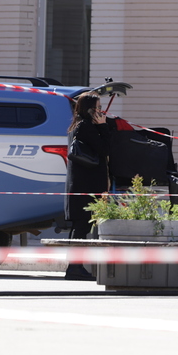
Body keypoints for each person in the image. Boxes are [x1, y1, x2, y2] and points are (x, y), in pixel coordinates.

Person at [64, 91, 111, 280]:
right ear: (89, 109)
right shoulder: (86, 127)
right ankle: (75, 267)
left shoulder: (78, 125)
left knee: (81, 225)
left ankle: (75, 266)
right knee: (81, 225)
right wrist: (104, 127)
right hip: (85, 185)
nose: (101, 111)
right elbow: (105, 149)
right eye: (98, 108)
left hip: (81, 184)